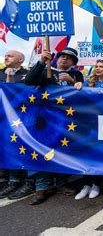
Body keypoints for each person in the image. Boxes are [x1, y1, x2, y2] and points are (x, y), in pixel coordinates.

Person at [24, 47, 84, 205]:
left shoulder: (76, 74)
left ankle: (61, 183)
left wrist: (73, 82)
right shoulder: (46, 69)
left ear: (73, 62)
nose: (64, 59)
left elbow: (82, 93)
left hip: (65, 119)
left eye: (68, 58)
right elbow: (29, 81)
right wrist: (42, 62)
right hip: (44, 119)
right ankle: (41, 187)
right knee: (41, 149)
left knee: (63, 150)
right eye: (62, 56)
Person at [73, 60, 103, 200]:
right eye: (97, 66)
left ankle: (96, 184)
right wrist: (77, 85)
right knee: (87, 154)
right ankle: (86, 185)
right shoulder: (88, 84)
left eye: (102, 66)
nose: (98, 68)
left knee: (100, 155)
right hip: (89, 124)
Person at [0, 50, 35, 201]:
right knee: (8, 147)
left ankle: (28, 181)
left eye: (10, 56)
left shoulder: (28, 75)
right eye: (5, 55)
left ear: (20, 60)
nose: (6, 57)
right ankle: (12, 181)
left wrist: (10, 79)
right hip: (3, 118)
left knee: (24, 147)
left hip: (23, 118)